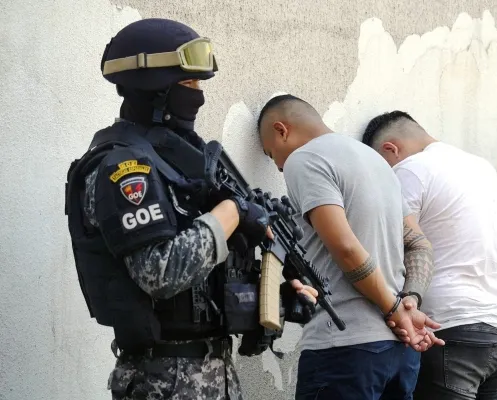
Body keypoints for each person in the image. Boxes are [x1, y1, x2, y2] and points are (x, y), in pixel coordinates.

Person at [64, 19, 318, 400]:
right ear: (155, 89)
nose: (198, 96)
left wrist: (278, 299)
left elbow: (205, 283)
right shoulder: (123, 169)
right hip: (162, 381)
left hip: (215, 375)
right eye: (189, 84)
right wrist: (233, 211)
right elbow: (161, 272)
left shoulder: (180, 166)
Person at [256, 94, 444, 400]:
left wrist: (395, 309)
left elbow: (345, 247)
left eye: (270, 153)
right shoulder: (378, 163)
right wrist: (410, 302)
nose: (278, 167)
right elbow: (418, 244)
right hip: (400, 351)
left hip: (344, 348)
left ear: (281, 130)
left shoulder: (304, 159)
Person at [361, 110, 497, 400]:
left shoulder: (411, 169)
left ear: (391, 149)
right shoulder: (482, 168)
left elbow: (393, 245)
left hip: (453, 326)